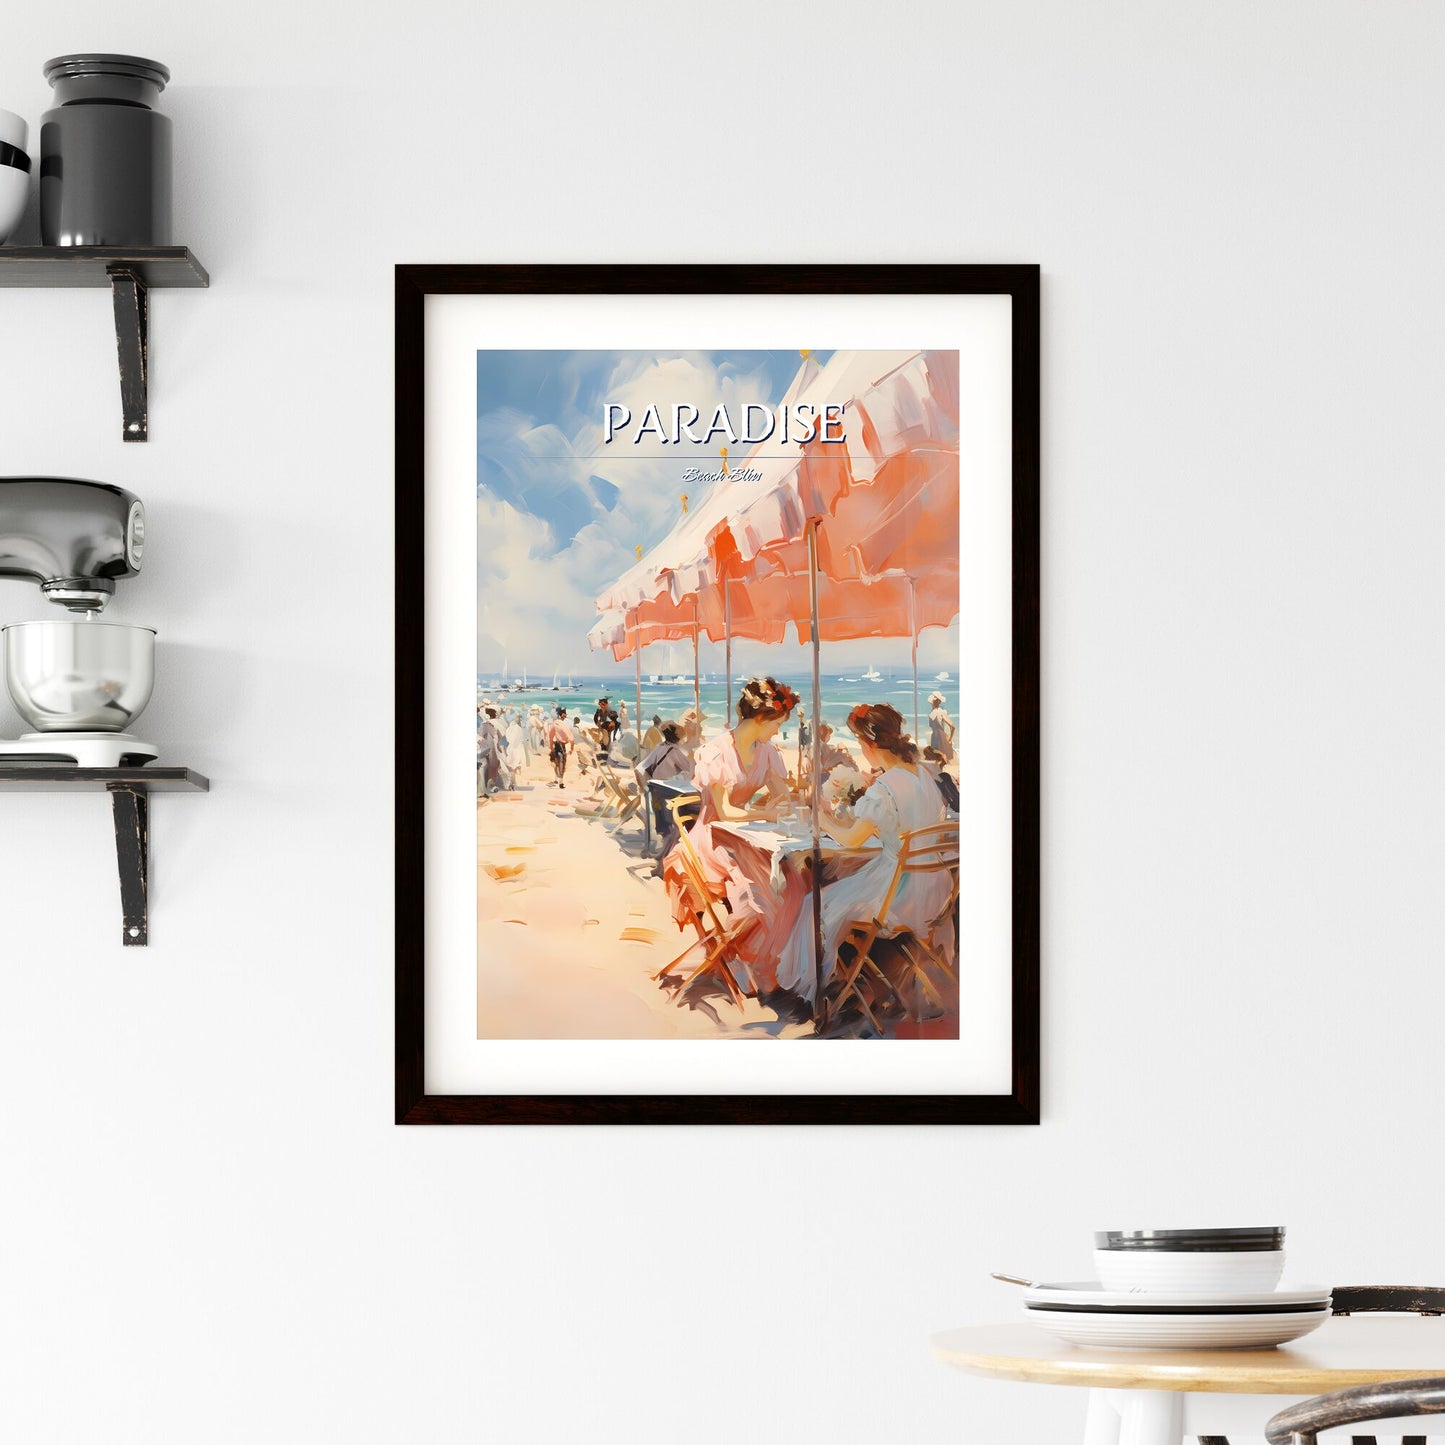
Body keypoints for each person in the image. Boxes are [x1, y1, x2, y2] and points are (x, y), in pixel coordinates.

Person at [776, 703, 950, 1016]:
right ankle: (855, 982)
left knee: (814, 905)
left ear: (868, 744)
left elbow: (853, 839)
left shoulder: (883, 788)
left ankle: (818, 992)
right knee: (839, 885)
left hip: (898, 895)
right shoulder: (923, 773)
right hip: (934, 888)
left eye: (860, 743)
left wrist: (823, 819)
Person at [662, 677, 805, 1001]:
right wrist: (766, 814)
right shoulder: (717, 752)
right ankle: (740, 958)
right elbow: (725, 812)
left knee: (796, 884)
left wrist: (787, 802)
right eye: (777, 724)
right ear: (760, 719)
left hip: (747, 836)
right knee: (753, 895)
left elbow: (782, 796)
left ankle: (775, 966)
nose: (778, 732)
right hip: (712, 836)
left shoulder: (767, 751)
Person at [543, 704, 572, 788]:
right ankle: (560, 782)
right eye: (564, 713)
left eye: (565, 713)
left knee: (558, 763)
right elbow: (552, 735)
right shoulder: (558, 723)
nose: (565, 715)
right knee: (560, 763)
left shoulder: (562, 722)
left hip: (560, 745)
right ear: (560, 714)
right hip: (558, 745)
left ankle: (557, 780)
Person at [928, 691, 956, 764]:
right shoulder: (932, 712)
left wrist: (950, 739)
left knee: (941, 758)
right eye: (934, 700)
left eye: (937, 700)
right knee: (935, 758)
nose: (934, 701)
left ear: (939, 701)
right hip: (934, 736)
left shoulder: (941, 712)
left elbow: (952, 726)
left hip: (940, 737)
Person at [593, 696, 620, 761]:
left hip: (608, 728)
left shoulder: (609, 711)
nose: (602, 706)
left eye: (603, 704)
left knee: (606, 742)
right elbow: (596, 719)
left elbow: (614, 720)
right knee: (601, 742)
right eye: (600, 704)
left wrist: (611, 724)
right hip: (601, 728)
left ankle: (605, 757)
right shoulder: (599, 711)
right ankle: (602, 757)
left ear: (606, 704)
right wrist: (598, 724)